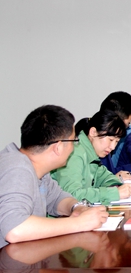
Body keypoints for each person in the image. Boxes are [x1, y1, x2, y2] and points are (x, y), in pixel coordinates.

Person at [0, 105, 108, 247]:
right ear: (58, 147)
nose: (74, 147)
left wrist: (77, 208)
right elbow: (15, 229)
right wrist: (78, 223)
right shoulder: (18, 169)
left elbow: (57, 198)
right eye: (74, 141)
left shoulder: (38, 169)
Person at [51, 109, 131, 205]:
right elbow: (71, 195)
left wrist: (117, 185)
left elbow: (104, 176)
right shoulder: (74, 153)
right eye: (111, 140)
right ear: (93, 132)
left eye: (116, 142)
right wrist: (113, 193)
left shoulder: (91, 152)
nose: (113, 147)